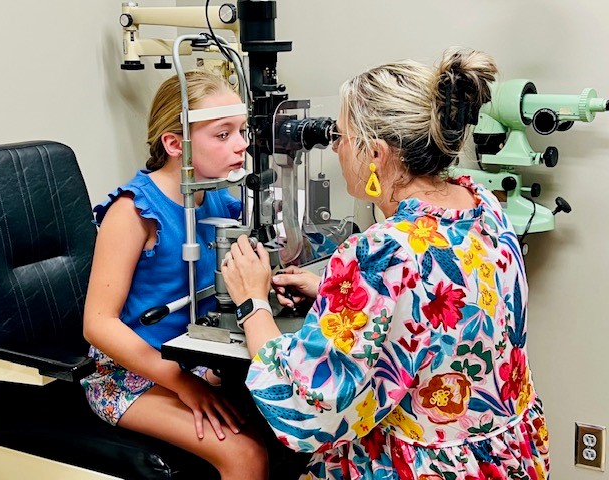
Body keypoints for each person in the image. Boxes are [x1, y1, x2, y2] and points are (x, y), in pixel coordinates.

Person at [222, 48, 550, 479]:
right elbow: (442, 311)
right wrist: (333, 292)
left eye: (340, 137)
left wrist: (252, 303)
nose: (336, 149)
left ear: (375, 154)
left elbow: (306, 406)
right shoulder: (484, 206)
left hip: (420, 466)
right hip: (509, 457)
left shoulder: (380, 251)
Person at [81, 71, 269, 479]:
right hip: (130, 376)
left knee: (289, 427)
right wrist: (183, 383)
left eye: (241, 131)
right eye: (223, 135)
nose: (241, 145)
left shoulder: (216, 195)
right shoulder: (132, 212)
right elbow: (97, 324)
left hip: (198, 360)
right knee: (245, 456)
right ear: (173, 143)